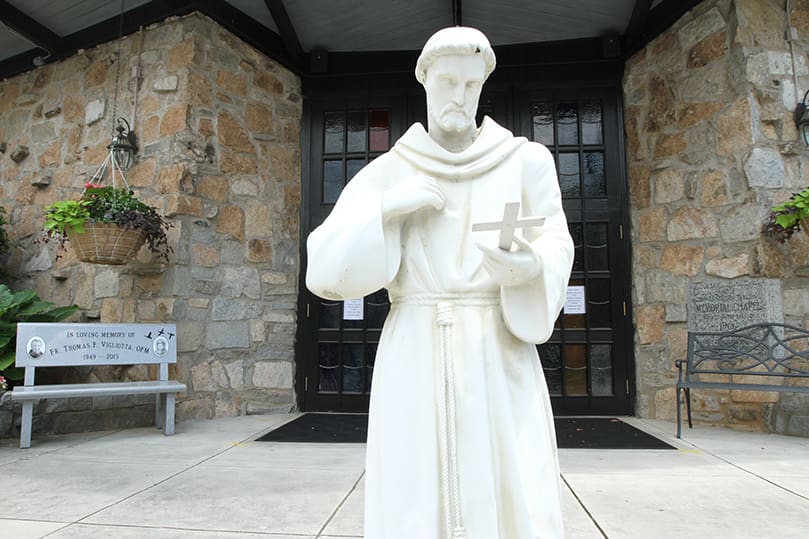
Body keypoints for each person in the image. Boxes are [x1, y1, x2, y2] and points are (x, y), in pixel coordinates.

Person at [306, 26, 573, 539]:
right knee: (414, 482)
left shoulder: (525, 162)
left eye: (471, 85)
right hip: (416, 346)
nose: (460, 96)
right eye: (448, 81)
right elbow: (323, 265)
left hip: (499, 346)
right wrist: (388, 210)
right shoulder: (391, 171)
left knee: (511, 477)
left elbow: (556, 243)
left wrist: (531, 268)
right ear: (424, 81)